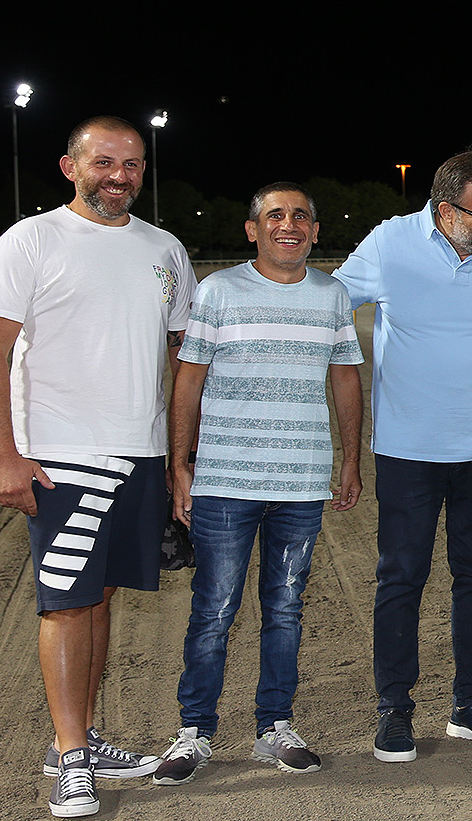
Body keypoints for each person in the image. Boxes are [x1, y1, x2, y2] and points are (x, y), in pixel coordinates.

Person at [0, 116, 193, 816]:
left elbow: (184, 353)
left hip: (140, 451)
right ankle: (70, 756)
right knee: (66, 602)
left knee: (99, 597)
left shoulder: (164, 249)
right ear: (71, 167)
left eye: (131, 163)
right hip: (62, 456)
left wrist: (177, 458)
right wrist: (5, 455)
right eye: (104, 162)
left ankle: (82, 736)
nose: (119, 175)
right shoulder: (32, 240)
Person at [154, 184, 364, 783]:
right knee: (214, 609)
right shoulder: (219, 291)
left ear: (316, 231)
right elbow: (187, 382)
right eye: (275, 215)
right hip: (225, 481)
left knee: (286, 608)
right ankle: (194, 732)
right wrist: (181, 464)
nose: (289, 224)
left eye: (301, 216)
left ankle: (275, 727)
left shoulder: (331, 295)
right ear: (253, 229)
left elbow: (345, 380)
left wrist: (349, 461)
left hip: (299, 483)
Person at [335, 149, 472, 763]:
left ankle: (470, 702)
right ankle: (394, 709)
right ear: (445, 210)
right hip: (406, 450)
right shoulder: (390, 242)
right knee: (401, 577)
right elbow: (326, 309)